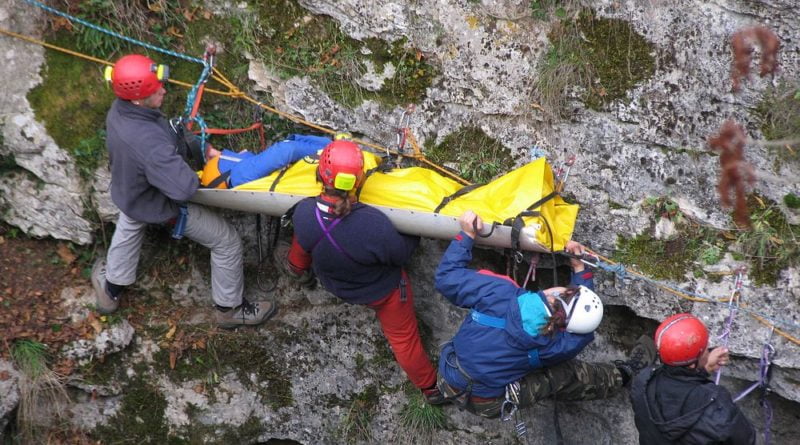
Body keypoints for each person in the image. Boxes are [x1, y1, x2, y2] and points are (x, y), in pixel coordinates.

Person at [91, 54, 275, 328]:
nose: (164, 91)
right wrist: (198, 167)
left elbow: (163, 131)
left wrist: (200, 147)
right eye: (156, 90)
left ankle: (109, 292)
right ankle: (229, 310)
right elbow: (184, 188)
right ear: (138, 99)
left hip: (131, 192)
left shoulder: (121, 111)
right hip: (161, 204)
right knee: (226, 241)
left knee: (130, 223)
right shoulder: (149, 145)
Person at [434, 210, 657, 418]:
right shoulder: (556, 345)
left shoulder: (498, 292)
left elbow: (446, 279)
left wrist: (466, 235)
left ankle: (444, 394)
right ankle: (625, 374)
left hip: (446, 378)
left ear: (556, 292)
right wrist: (581, 269)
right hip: (489, 403)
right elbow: (581, 335)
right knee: (566, 374)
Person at [274, 139, 445, 404]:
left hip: (338, 285)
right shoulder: (373, 223)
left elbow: (307, 239)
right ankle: (431, 389)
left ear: (320, 174)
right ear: (360, 179)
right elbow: (401, 254)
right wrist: (414, 232)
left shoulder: (304, 212)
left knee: (304, 243)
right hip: (384, 293)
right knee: (403, 340)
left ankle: (297, 269)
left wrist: (298, 264)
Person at [630, 313, 756, 444]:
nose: (708, 352)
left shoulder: (642, 382)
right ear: (691, 365)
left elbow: (677, 394)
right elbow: (747, 439)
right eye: (706, 350)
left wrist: (703, 370)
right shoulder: (717, 406)